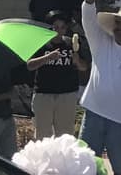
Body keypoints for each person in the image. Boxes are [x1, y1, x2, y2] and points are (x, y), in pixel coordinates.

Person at [80, 0, 121, 175]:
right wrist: (89, 0)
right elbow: (88, 22)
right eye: (118, 23)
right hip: (94, 113)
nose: (119, 27)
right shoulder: (101, 43)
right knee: (86, 166)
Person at [27, 11, 86, 139]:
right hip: (44, 94)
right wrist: (47, 57)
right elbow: (30, 65)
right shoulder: (41, 44)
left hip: (67, 94)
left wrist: (77, 61)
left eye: (62, 27)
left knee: (65, 135)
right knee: (43, 135)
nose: (59, 31)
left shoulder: (71, 44)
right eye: (55, 27)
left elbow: (84, 67)